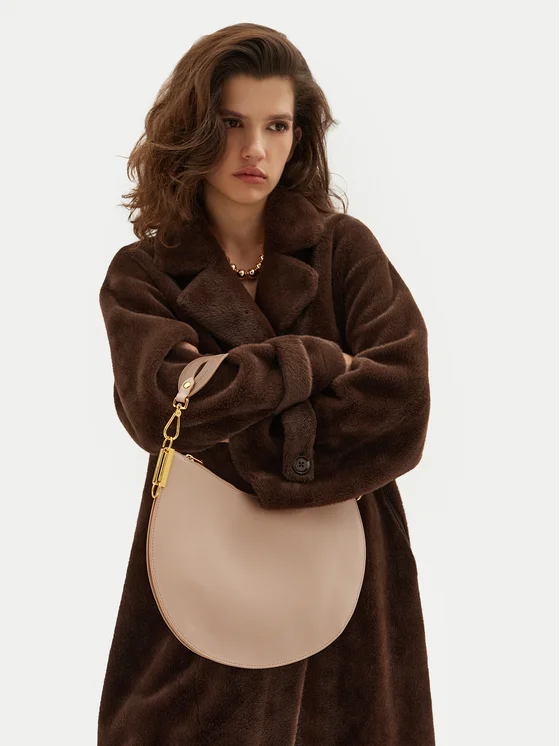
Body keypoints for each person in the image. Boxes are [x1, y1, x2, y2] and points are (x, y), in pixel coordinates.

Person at [97, 22, 436, 746]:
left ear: (298, 135)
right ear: (193, 131)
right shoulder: (143, 275)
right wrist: (317, 363)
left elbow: (402, 403)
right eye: (231, 123)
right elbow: (161, 409)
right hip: (198, 569)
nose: (255, 148)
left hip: (350, 577)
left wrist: (234, 409)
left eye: (276, 125)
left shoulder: (344, 250)